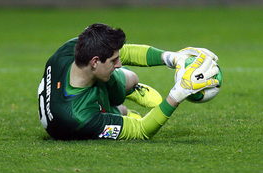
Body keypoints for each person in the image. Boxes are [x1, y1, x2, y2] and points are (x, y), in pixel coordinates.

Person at [38, 23, 219, 140]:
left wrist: (172, 58)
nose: (119, 63)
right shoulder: (80, 117)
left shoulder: (72, 48)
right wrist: (179, 93)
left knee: (131, 78)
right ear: (95, 61)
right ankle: (119, 108)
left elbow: (127, 53)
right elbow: (141, 130)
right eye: (113, 60)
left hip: (83, 88)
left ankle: (132, 89)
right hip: (78, 116)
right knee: (121, 113)